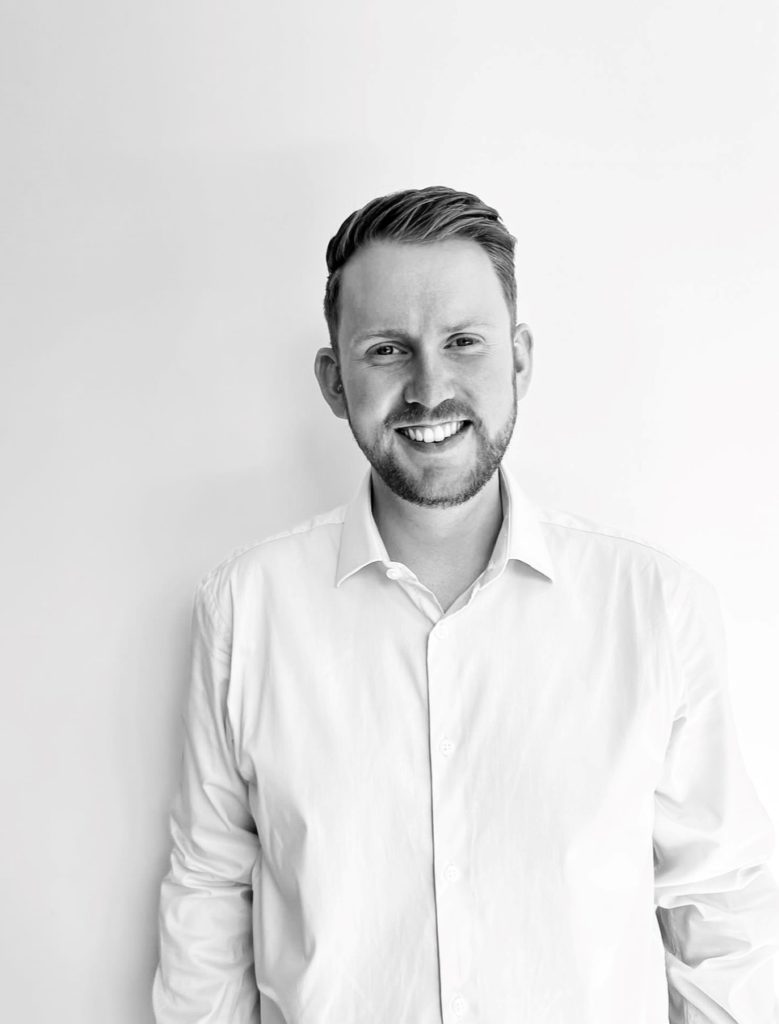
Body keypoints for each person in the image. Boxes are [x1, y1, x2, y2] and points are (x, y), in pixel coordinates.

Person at [152, 186, 779, 1023]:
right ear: (334, 381)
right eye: (386, 350)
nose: (429, 387)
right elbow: (208, 894)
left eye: (463, 343)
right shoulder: (246, 609)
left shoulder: (656, 609)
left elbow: (722, 916)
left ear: (518, 360)